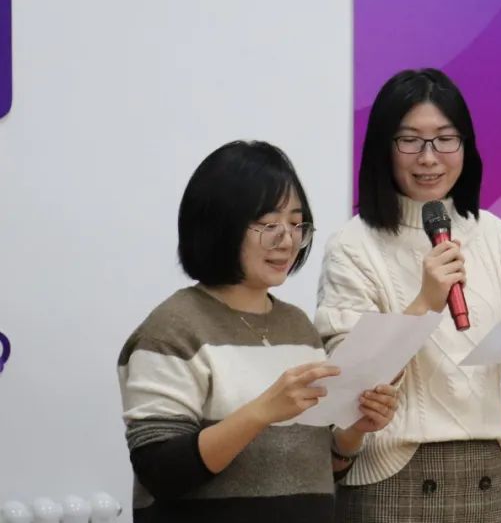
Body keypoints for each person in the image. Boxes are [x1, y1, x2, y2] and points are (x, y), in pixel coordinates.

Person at [314, 68, 501, 523]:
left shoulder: (493, 233)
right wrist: (424, 304)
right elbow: (349, 387)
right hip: (394, 484)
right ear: (383, 148)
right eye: (410, 140)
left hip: (492, 478)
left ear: (465, 145)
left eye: (445, 139)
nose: (429, 157)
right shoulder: (352, 245)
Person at [118, 141, 398, 522]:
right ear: (219, 225)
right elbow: (161, 471)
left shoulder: (298, 327)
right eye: (268, 224)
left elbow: (314, 471)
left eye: (296, 224)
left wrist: (353, 432)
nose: (287, 239)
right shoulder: (173, 329)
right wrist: (262, 411)